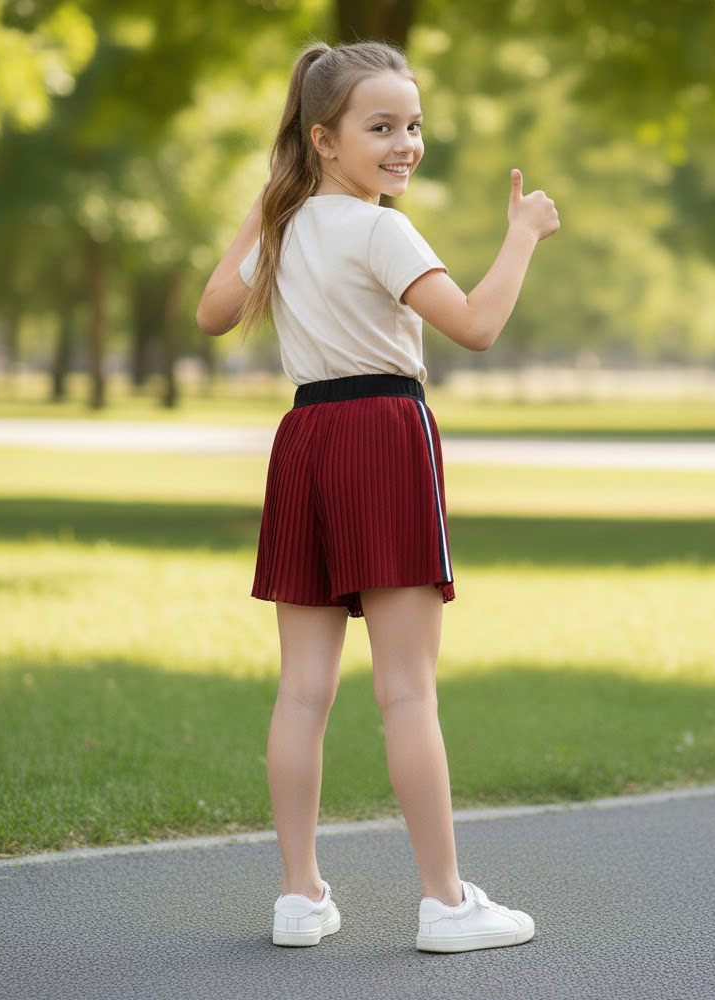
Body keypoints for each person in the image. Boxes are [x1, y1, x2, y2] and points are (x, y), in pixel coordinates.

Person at [196, 38, 559, 953]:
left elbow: (211, 310)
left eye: (413, 125)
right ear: (325, 138)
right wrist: (521, 238)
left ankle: (299, 896)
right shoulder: (380, 228)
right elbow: (474, 325)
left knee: (303, 691)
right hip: (383, 434)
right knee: (406, 692)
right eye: (381, 127)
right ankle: (445, 902)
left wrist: (268, 200)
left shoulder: (287, 229)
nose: (405, 144)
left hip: (306, 439)